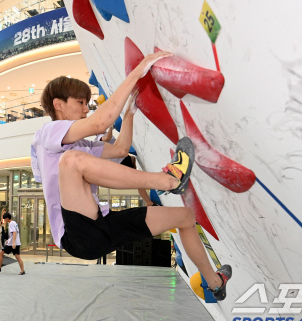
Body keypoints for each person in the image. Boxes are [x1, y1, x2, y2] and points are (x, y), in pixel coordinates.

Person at [31, 59, 232, 299]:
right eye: (81, 102)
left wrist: (129, 114)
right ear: (58, 105)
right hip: (76, 235)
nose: (86, 108)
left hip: (100, 229)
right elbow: (99, 123)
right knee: (71, 160)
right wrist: (137, 72)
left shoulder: (81, 144)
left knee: (186, 217)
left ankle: (215, 283)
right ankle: (168, 180)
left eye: (87, 103)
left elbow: (120, 150)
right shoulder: (48, 132)